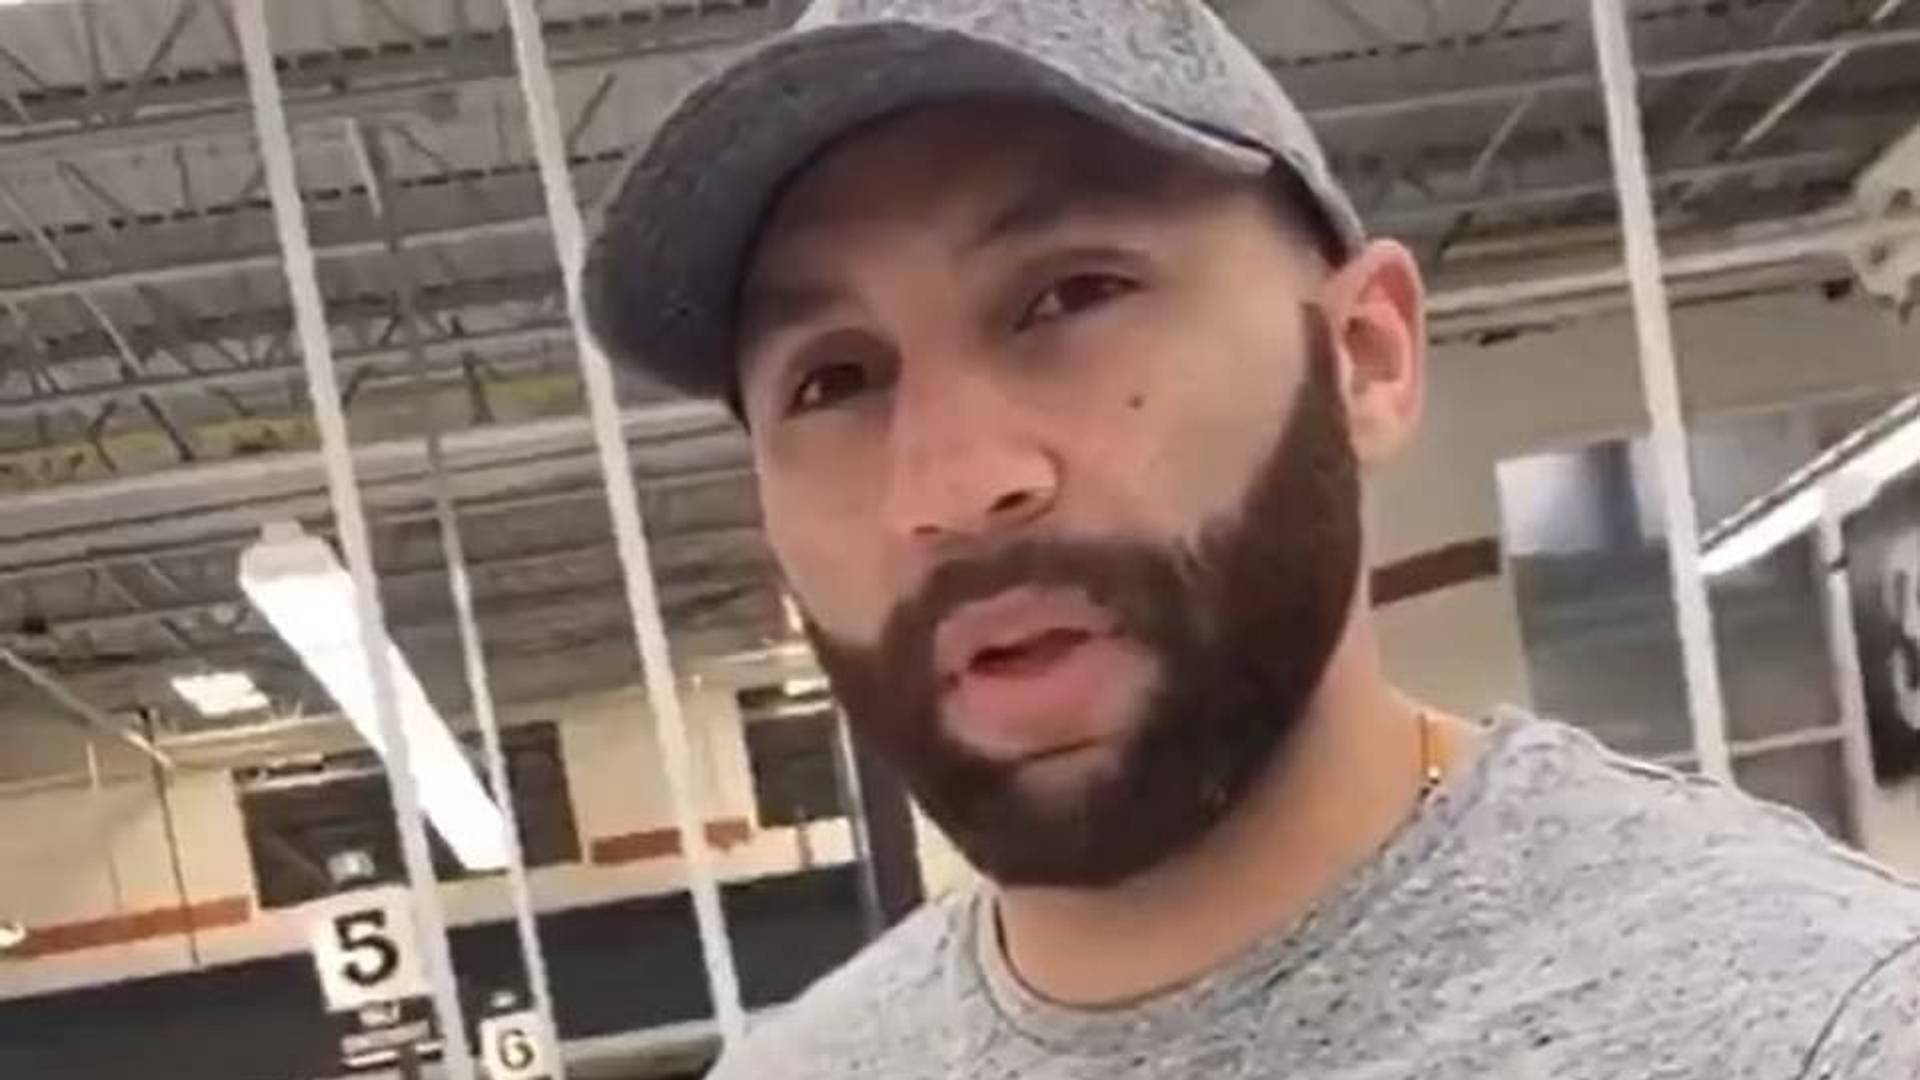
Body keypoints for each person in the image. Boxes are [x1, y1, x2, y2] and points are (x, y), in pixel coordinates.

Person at [583, 1, 1920, 1075]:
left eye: (1070, 296)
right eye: (833, 380)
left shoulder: (1820, 1027)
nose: (955, 484)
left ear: (1365, 355)